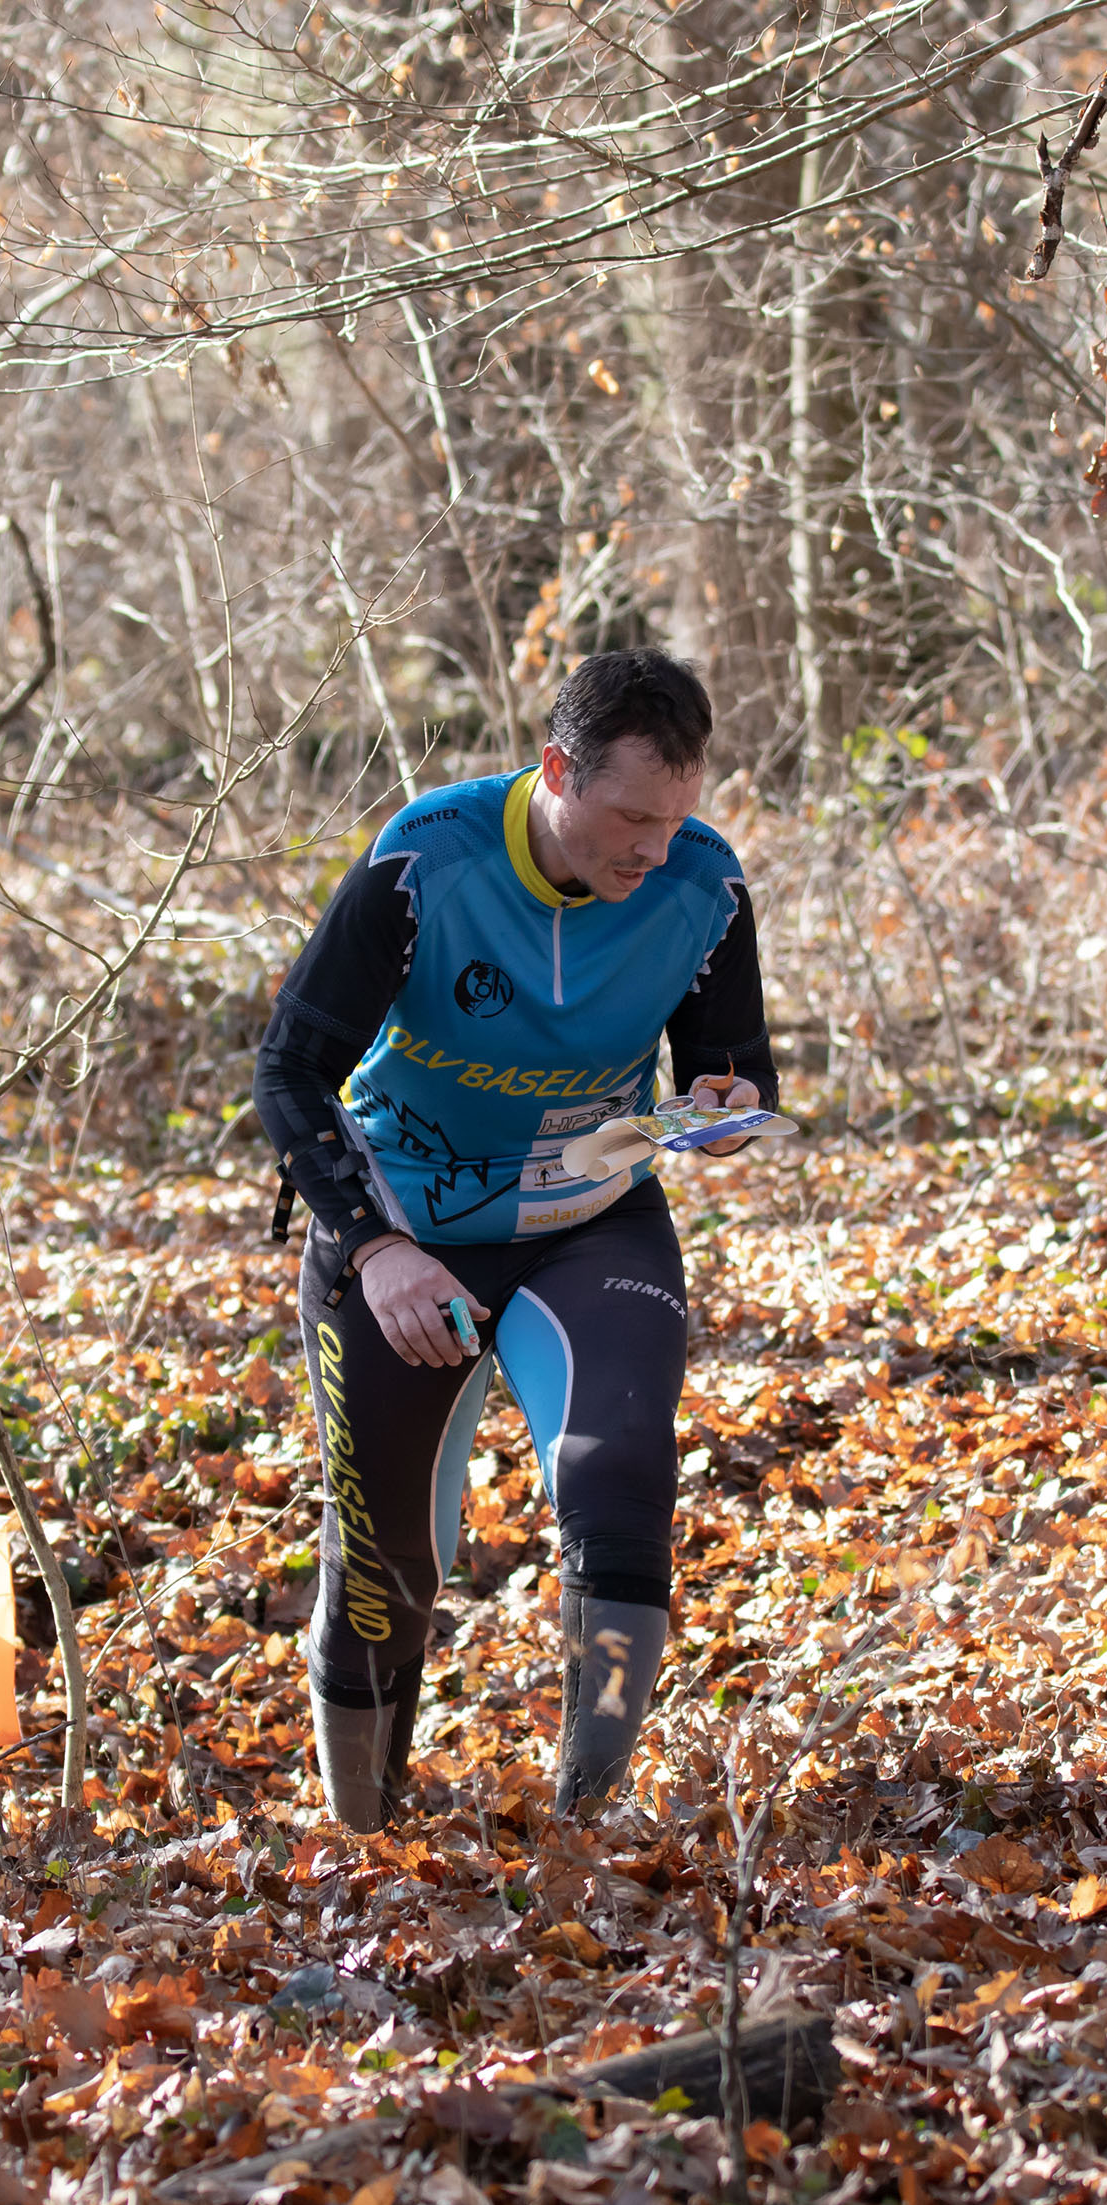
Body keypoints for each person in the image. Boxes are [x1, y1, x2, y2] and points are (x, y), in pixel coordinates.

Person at [253, 648, 777, 1830]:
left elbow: (733, 1067)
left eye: (676, 818)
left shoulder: (703, 882)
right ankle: (365, 1838)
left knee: (620, 1476)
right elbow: (290, 1068)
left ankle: (582, 1826)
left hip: (589, 1226)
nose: (654, 849)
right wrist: (375, 1246)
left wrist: (726, 1109)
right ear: (557, 771)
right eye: (631, 818)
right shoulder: (426, 861)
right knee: (388, 1557)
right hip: (406, 1234)